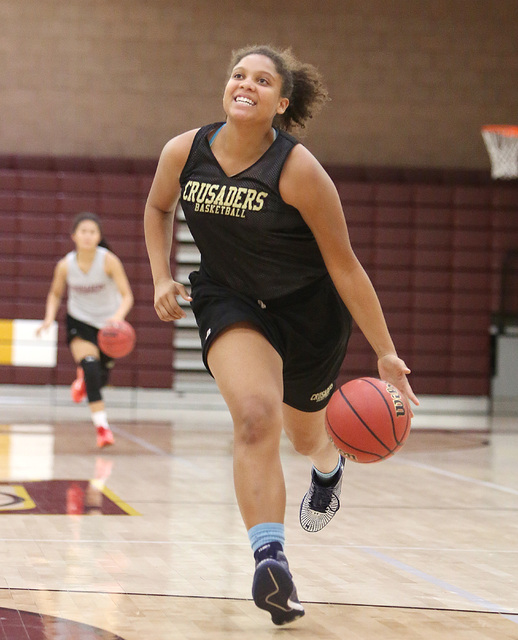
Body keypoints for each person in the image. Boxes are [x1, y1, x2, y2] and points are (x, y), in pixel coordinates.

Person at [144, 45, 419, 626]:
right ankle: (271, 560)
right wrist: (160, 274)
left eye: (262, 80)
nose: (247, 84)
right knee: (253, 417)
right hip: (231, 300)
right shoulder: (184, 151)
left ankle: (328, 469)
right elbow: (157, 207)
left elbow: (344, 265)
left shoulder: (297, 170)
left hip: (309, 316)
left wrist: (386, 351)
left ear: (281, 102)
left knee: (306, 438)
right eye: (238, 74)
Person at [37, 212, 134, 448]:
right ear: (74, 236)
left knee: (99, 378)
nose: (88, 236)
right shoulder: (65, 265)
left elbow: (127, 295)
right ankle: (102, 428)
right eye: (83, 232)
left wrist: (118, 318)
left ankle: (82, 384)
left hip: (108, 326)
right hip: (79, 321)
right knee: (90, 367)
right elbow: (55, 293)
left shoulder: (109, 261)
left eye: (92, 232)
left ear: (99, 236)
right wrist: (49, 318)